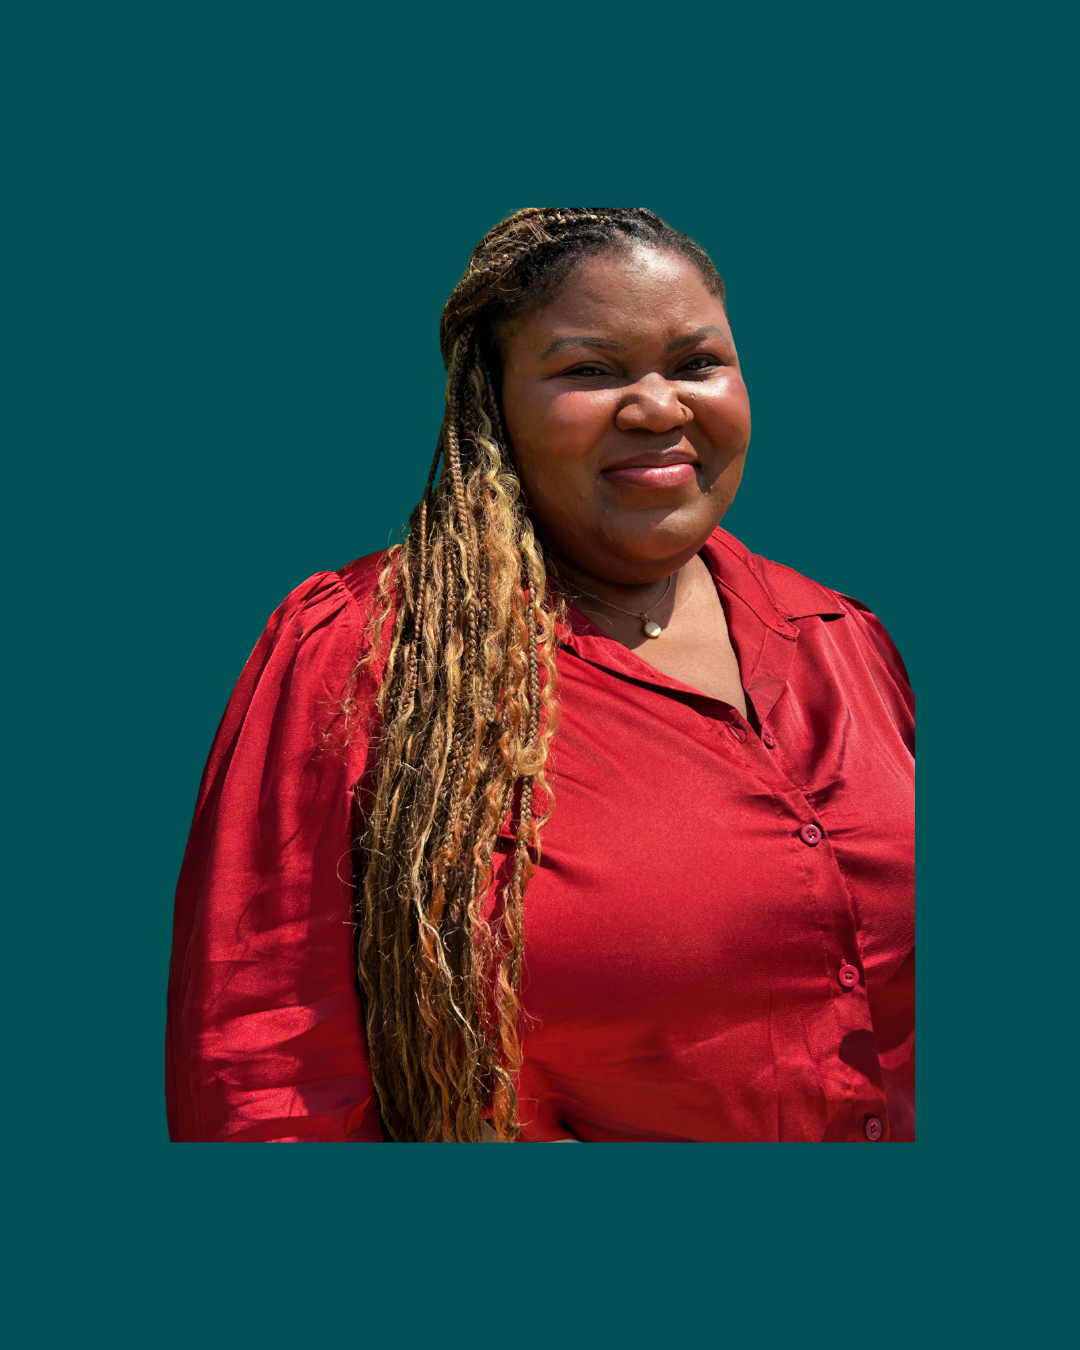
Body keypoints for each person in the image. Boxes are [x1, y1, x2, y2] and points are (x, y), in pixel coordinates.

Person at [166, 207, 914, 1143]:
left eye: (696, 363)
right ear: (493, 404)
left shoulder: (841, 638)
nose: (658, 408)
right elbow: (266, 1067)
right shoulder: (365, 652)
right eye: (589, 371)